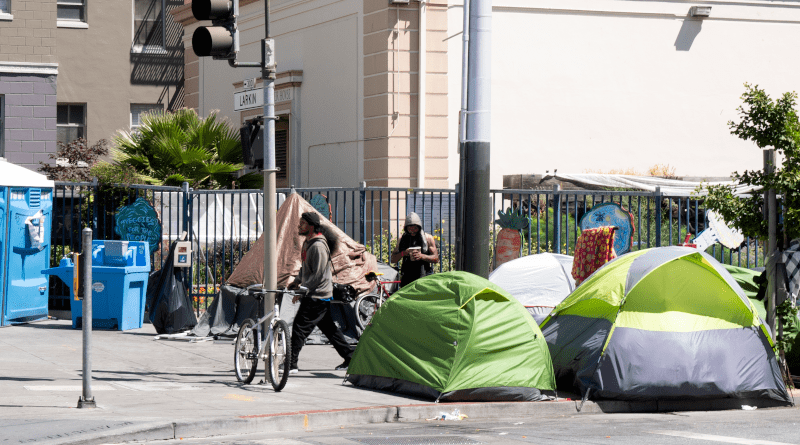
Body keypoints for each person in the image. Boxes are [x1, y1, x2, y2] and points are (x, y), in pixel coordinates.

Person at [287, 212, 354, 374]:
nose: (299, 226)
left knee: (299, 328)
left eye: (302, 223)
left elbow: (318, 274)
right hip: (315, 292)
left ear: (311, 226)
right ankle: (350, 357)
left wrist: (302, 291)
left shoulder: (318, 246)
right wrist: (297, 281)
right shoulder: (308, 243)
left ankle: (291, 364)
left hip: (317, 294)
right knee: (329, 329)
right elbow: (306, 268)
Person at [390, 212, 439, 288]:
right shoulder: (401, 240)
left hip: (424, 276)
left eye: (415, 228)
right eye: (410, 228)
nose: (412, 231)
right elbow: (392, 259)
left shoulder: (428, 238)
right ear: (406, 228)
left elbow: (436, 259)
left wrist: (421, 256)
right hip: (407, 276)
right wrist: (403, 253)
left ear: (419, 227)